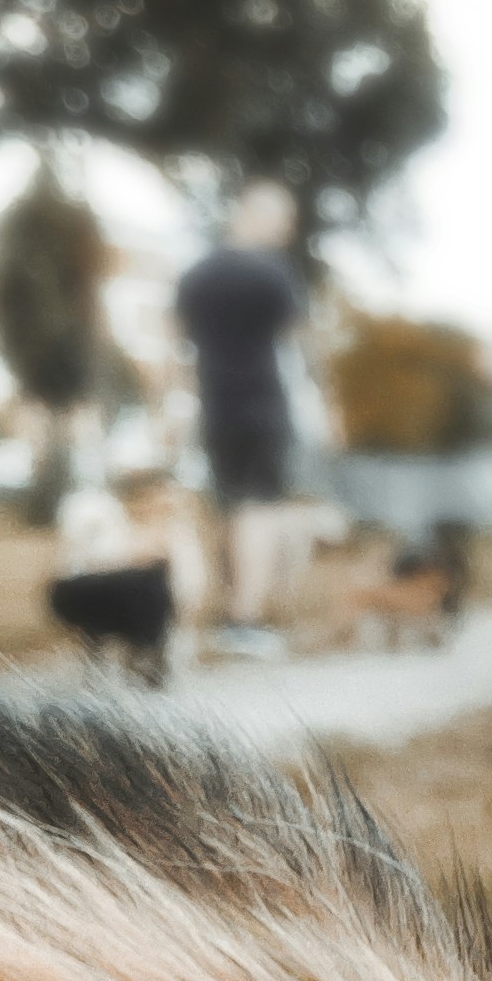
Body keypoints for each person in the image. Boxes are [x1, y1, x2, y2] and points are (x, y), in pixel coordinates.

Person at [174, 180, 309, 656]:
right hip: (263, 405)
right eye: (282, 219)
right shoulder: (274, 274)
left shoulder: (197, 275)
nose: (286, 231)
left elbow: (179, 346)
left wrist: (171, 409)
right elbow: (298, 341)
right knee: (259, 508)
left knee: (227, 507)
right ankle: (244, 620)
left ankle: (224, 607)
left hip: (214, 407)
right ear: (259, 215)